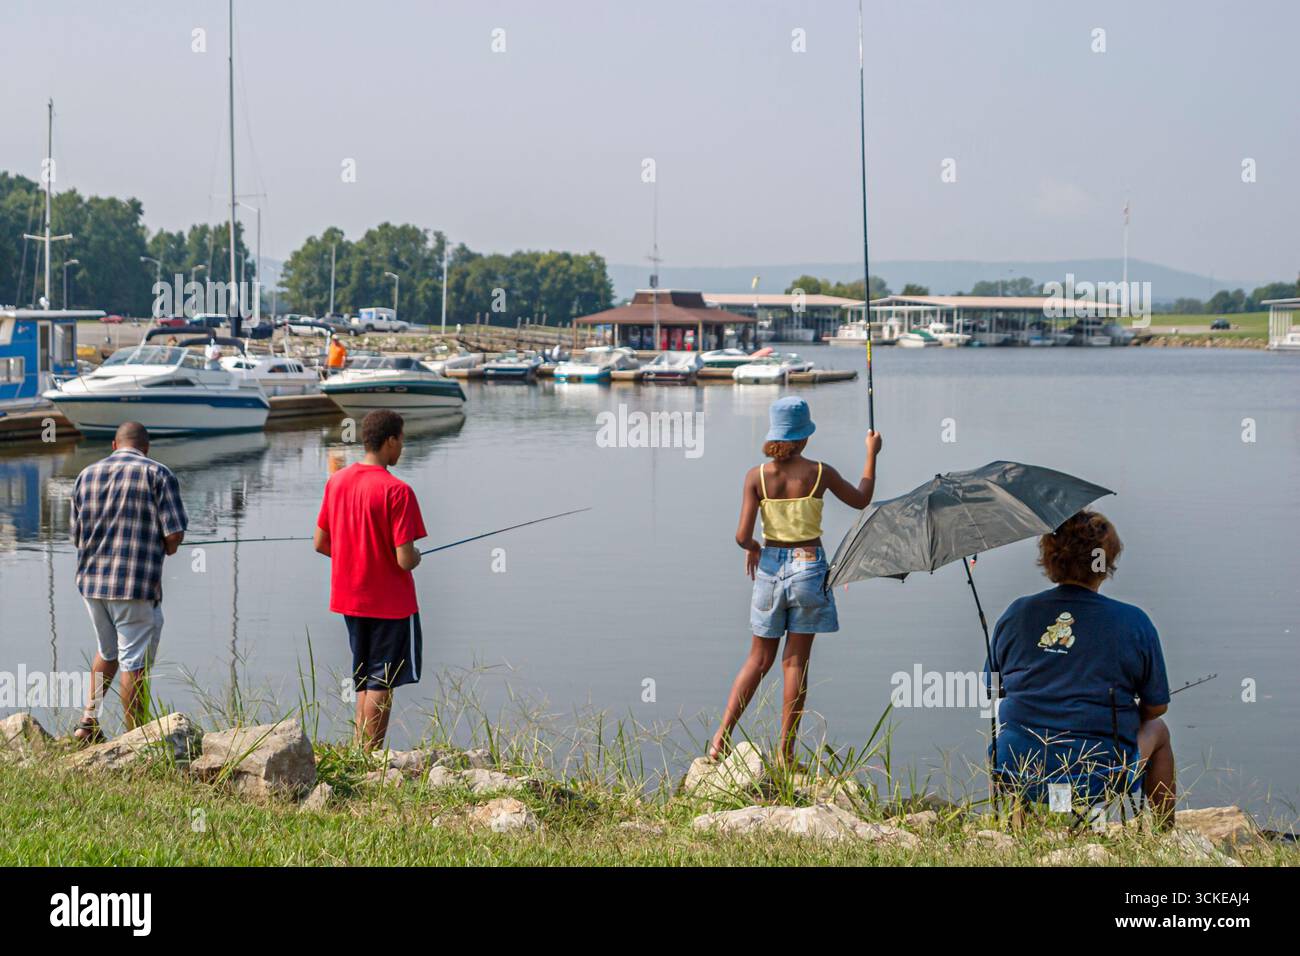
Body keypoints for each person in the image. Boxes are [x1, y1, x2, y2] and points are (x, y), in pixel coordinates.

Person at [708, 397, 882, 767]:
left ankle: (720, 739)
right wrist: (872, 452)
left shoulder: (756, 477)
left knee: (758, 659)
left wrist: (754, 548)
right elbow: (861, 499)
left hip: (770, 567)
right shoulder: (820, 473)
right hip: (809, 565)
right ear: (804, 437)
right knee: (795, 663)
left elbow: (741, 536)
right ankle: (785, 753)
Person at [988, 510, 1175, 827]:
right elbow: (1156, 707)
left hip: (1018, 769)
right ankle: (1164, 835)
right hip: (1099, 776)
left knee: (1009, 728)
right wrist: (1125, 711)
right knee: (1158, 730)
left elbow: (994, 689)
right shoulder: (1134, 622)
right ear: (1105, 564)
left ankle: (1018, 830)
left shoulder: (1015, 614)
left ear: (1050, 560)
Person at [314, 409, 427, 751]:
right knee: (382, 679)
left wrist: (356, 559)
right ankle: (370, 756)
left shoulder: (337, 482)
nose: (402, 447)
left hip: (350, 599)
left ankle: (359, 752)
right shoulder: (398, 491)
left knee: (364, 677)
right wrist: (417, 556)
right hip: (389, 603)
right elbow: (405, 559)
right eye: (401, 440)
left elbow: (321, 543)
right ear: (390, 440)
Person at [70, 422, 187, 744]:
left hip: (92, 585)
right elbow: (174, 534)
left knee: (107, 651)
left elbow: (77, 537)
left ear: (114, 444)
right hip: (134, 585)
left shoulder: (85, 475)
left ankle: (87, 723)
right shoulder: (158, 474)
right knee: (134, 662)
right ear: (145, 448)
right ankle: (136, 738)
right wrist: (168, 546)